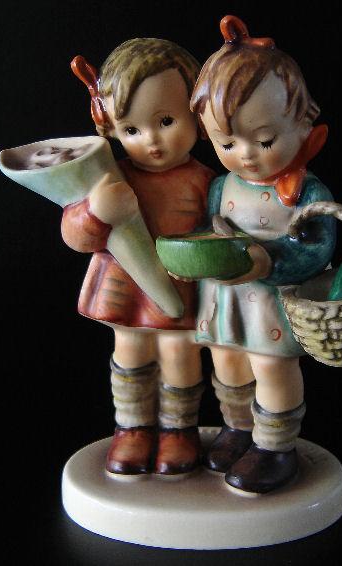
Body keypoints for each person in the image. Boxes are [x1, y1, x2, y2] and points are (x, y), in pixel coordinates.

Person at [189, 16, 337, 493]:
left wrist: (270, 260)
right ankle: (237, 429)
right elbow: (211, 228)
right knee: (226, 363)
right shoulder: (221, 186)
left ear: (303, 125)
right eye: (227, 142)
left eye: (265, 139)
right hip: (226, 301)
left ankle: (275, 446)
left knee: (271, 367)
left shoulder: (306, 192)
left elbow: (316, 247)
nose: (246, 154)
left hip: (272, 304)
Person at [65, 38, 215, 477]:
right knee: (131, 349)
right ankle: (132, 427)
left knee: (180, 353)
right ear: (110, 127)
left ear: (196, 114)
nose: (151, 140)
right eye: (131, 130)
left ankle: (179, 429)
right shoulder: (109, 179)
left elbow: (222, 229)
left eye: (166, 121)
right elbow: (75, 234)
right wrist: (95, 212)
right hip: (124, 286)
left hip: (181, 286)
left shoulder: (206, 181)